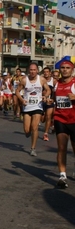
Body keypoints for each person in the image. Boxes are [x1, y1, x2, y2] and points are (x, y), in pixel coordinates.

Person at [15, 62, 50, 157]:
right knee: (27, 130)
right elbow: (17, 91)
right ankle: (28, 133)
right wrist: (22, 100)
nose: (33, 71)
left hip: (37, 106)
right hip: (27, 107)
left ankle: (33, 148)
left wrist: (45, 96)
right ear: (28, 71)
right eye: (31, 70)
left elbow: (48, 90)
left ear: (37, 71)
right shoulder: (24, 80)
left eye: (34, 70)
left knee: (35, 127)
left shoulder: (41, 79)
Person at [52, 60, 75, 188]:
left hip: (74, 120)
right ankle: (62, 175)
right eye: (62, 68)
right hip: (60, 119)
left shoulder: (74, 83)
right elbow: (55, 100)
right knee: (62, 148)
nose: (65, 70)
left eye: (67, 68)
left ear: (72, 70)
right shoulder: (57, 84)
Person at [41, 67, 55, 141]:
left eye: (47, 72)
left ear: (50, 73)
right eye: (44, 72)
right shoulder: (40, 80)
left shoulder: (54, 81)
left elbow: (56, 91)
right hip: (41, 102)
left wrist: (52, 98)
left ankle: (45, 134)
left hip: (49, 102)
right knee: (42, 119)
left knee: (48, 117)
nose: (46, 73)